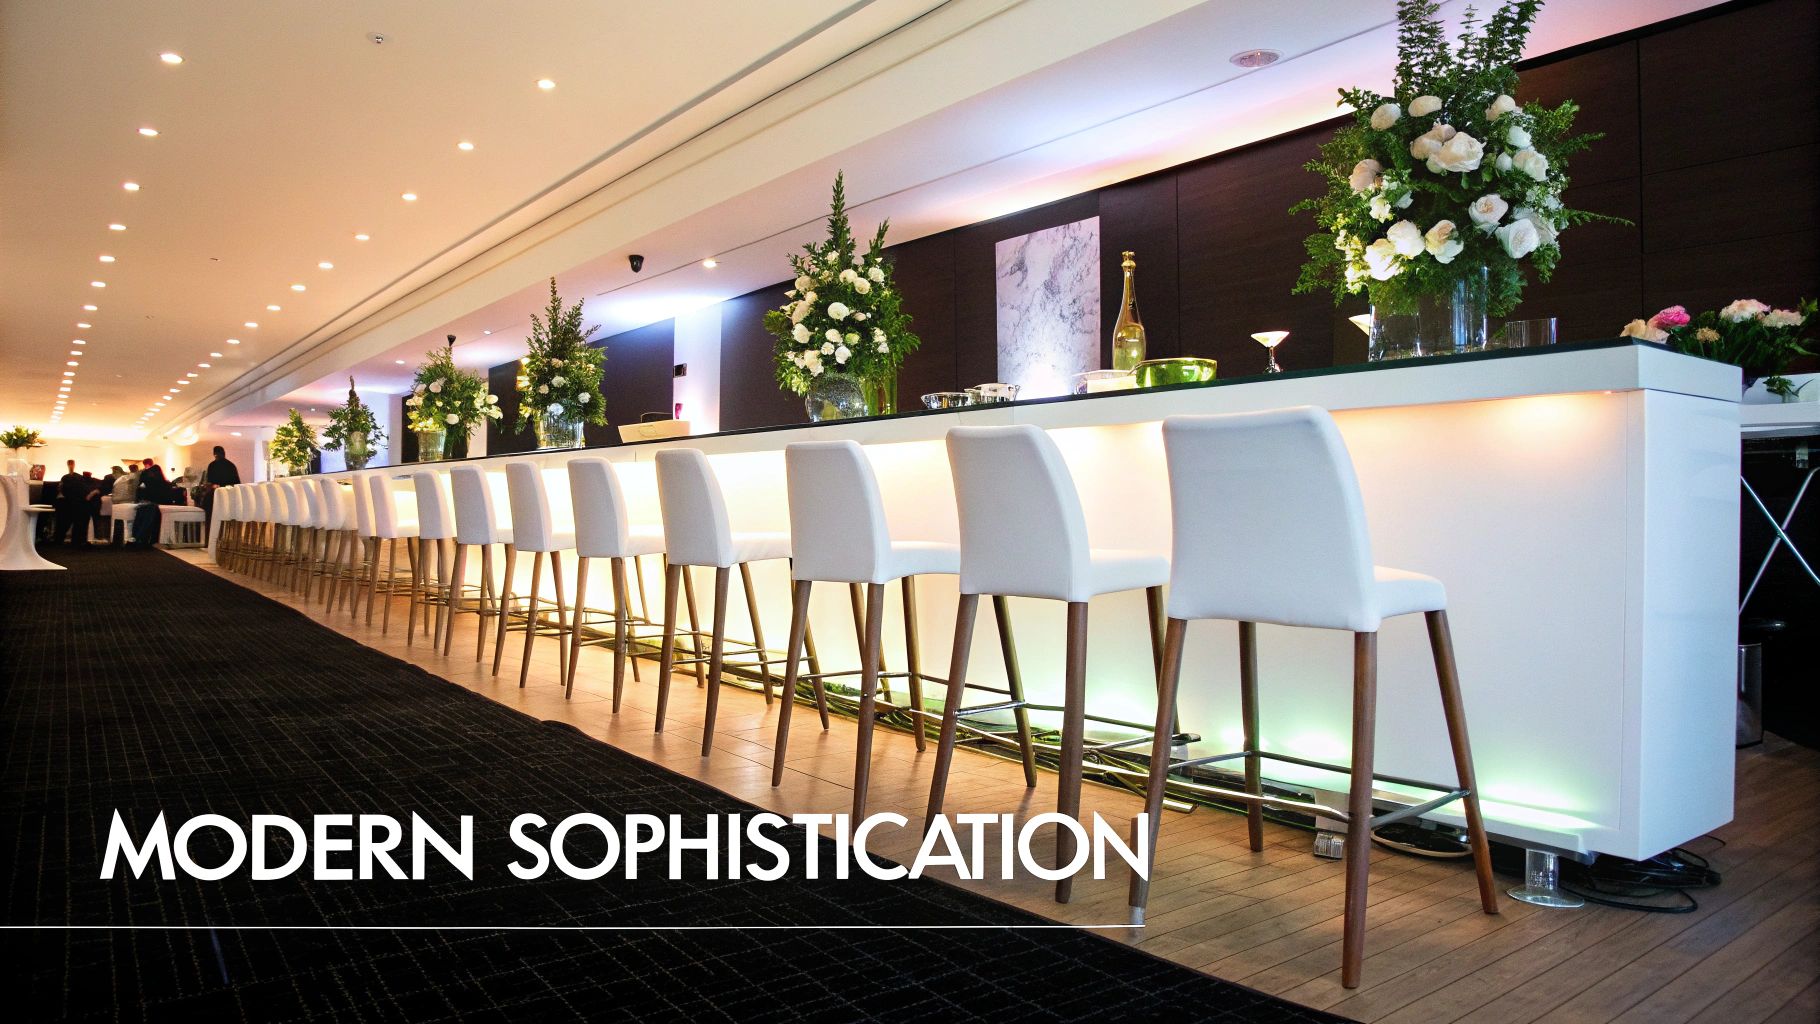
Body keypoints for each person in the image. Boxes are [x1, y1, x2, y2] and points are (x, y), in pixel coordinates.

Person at [131, 456, 170, 548]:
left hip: (146, 502)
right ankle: (150, 539)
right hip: (157, 503)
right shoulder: (161, 478)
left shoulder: (144, 475)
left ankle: (139, 538)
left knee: (144, 515)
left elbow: (139, 489)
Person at [53, 460, 93, 546]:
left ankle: (58, 540)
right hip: (78, 503)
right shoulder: (80, 479)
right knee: (79, 522)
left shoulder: (66, 478)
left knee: (63, 523)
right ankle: (77, 541)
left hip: (66, 502)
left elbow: (60, 489)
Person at [200, 446, 240, 526]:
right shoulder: (231, 465)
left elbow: (210, 484)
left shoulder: (212, 465)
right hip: (230, 495)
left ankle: (208, 524)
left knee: (207, 503)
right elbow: (237, 483)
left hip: (216, 495)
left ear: (215, 454)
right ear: (224, 453)